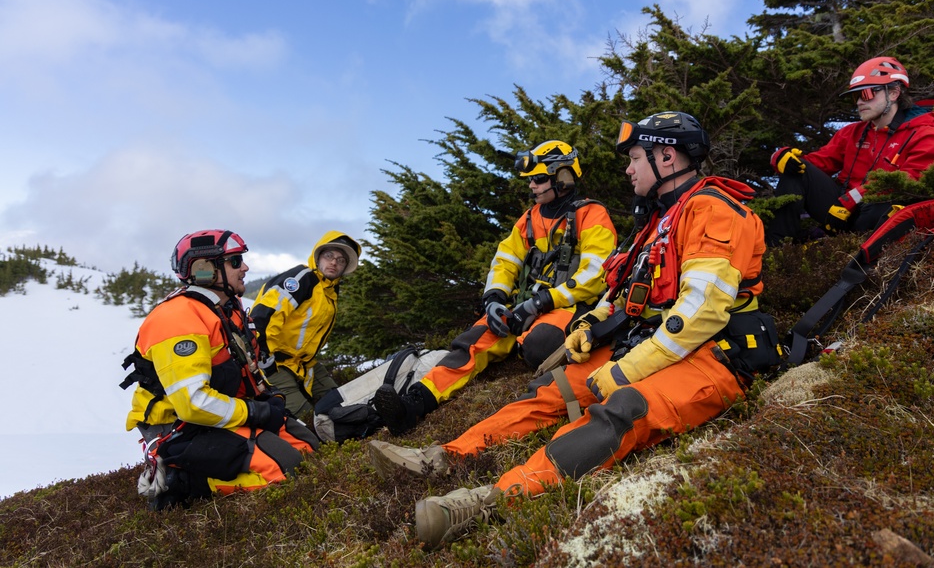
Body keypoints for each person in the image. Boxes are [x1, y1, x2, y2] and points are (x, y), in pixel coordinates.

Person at [367, 112, 784, 548]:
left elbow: (700, 312)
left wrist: (625, 371)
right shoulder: (656, 221)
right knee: (551, 390)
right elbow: (619, 290)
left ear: (667, 155)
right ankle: (442, 458)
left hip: (712, 355)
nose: (628, 168)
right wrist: (589, 324)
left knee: (624, 407)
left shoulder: (713, 210)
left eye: (636, 157)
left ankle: (489, 500)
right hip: (651, 343)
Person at [372, 140, 617, 435]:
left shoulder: (591, 214)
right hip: (527, 307)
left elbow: (595, 275)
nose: (532, 187)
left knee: (539, 345)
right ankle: (414, 405)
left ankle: (522, 346)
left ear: (563, 177)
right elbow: (505, 261)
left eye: (539, 179)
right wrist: (494, 298)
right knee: (471, 341)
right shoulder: (528, 219)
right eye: (531, 181)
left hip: (570, 306)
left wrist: (540, 303)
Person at [121, 229, 319, 510]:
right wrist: (255, 413)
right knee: (286, 468)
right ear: (205, 271)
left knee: (307, 447)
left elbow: (241, 369)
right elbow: (192, 403)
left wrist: (268, 399)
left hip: (218, 416)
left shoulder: (226, 309)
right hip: (181, 428)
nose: (245, 267)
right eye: (235, 261)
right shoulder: (178, 318)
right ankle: (185, 482)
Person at [766, 56, 934, 245]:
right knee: (796, 171)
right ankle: (777, 249)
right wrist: (781, 158)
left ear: (894, 93)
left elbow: (912, 181)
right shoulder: (851, 133)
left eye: (868, 94)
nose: (859, 102)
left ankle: (855, 249)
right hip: (840, 212)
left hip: (876, 215)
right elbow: (818, 164)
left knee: (882, 206)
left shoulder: (926, 135)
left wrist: (853, 197)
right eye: (856, 96)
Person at [249, 231, 362, 423]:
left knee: (343, 402)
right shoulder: (302, 279)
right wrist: (264, 359)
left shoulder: (329, 291)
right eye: (329, 256)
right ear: (318, 257)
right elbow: (262, 317)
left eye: (341, 260)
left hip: (303, 364)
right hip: (273, 362)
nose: (334, 262)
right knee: (307, 419)